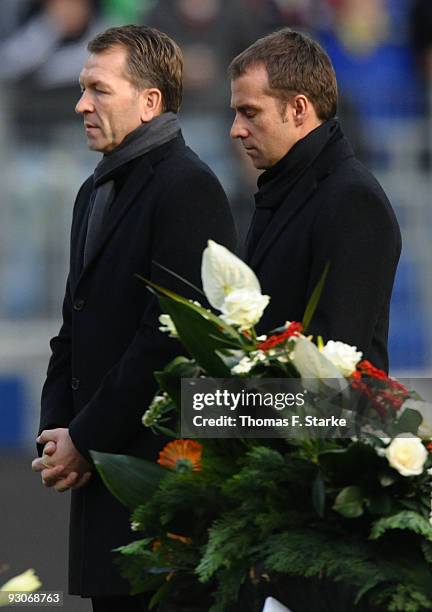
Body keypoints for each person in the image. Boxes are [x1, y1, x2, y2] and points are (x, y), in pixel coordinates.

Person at [31, 24, 236, 611]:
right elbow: (74, 326)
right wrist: (57, 433)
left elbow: (165, 341)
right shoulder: (93, 191)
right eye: (81, 88)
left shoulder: (188, 187)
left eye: (98, 89)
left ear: (149, 103)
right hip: (99, 471)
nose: (80, 105)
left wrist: (85, 439)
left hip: (156, 491)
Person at [229, 27, 401, 372]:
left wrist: (215, 409)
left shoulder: (352, 200)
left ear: (298, 109)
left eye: (250, 112)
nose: (236, 129)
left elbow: (333, 362)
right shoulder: (282, 186)